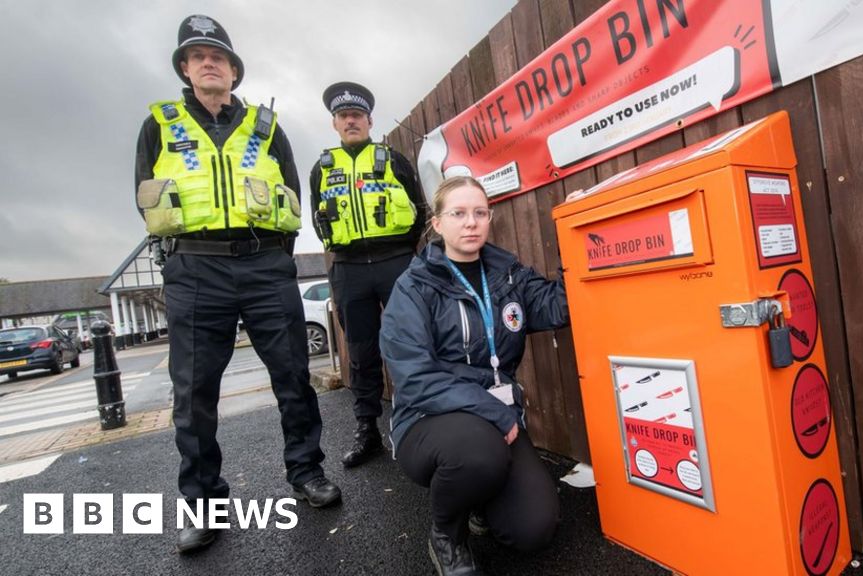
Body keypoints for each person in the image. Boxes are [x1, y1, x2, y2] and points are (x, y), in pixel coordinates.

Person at [134, 14, 341, 554]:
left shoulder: (267, 127)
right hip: (194, 268)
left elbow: (292, 202)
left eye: (218, 56)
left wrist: (274, 258)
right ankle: (204, 504)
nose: (209, 62)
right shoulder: (159, 124)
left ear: (233, 70)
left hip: (263, 265)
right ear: (185, 67)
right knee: (194, 393)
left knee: (294, 374)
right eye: (198, 55)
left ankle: (306, 472)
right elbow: (146, 196)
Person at [380, 176, 570, 575]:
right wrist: (496, 412)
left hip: (496, 420)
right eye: (459, 213)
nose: (471, 223)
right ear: (437, 223)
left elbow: (558, 307)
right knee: (476, 453)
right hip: (429, 420)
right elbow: (414, 378)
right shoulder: (414, 286)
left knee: (533, 530)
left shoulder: (507, 274)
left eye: (479, 213)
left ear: (490, 219)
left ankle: (481, 498)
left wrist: (579, 244)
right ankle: (446, 535)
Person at [310, 81, 426, 468]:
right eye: (344, 116)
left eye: (357, 115)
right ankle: (368, 430)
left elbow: (419, 208)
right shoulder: (321, 169)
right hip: (348, 268)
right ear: (335, 124)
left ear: (369, 120)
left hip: (396, 261)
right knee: (360, 352)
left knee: (412, 341)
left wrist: (402, 252)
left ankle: (421, 421)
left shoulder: (393, 159)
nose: (351, 121)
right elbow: (317, 217)